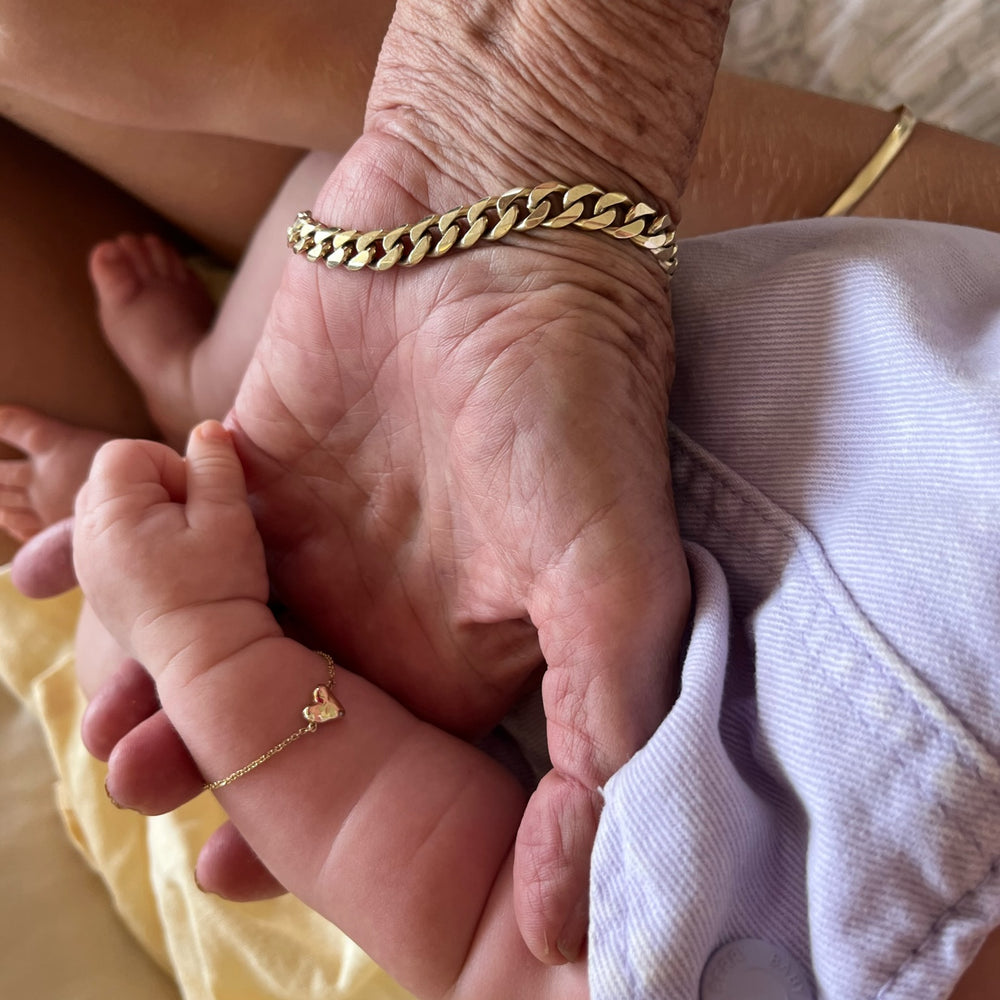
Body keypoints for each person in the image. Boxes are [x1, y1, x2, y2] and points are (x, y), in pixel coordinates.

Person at [4, 0, 1000, 996]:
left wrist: (209, 642)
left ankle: (175, 437)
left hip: (454, 596)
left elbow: (480, 915)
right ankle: (201, 402)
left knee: (132, 635)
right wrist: (507, 130)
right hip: (765, 303)